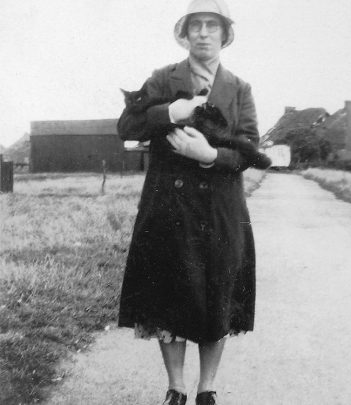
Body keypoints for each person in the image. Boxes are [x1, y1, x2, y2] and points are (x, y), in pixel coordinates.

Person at [117, 1, 258, 404]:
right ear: (185, 33)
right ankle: (176, 387)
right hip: (169, 207)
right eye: (194, 25)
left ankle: (206, 388)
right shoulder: (163, 79)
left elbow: (249, 151)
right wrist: (170, 111)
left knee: (217, 295)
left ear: (224, 34)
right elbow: (126, 125)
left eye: (211, 25)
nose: (202, 32)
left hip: (220, 210)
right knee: (170, 295)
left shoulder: (240, 88)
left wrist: (211, 156)